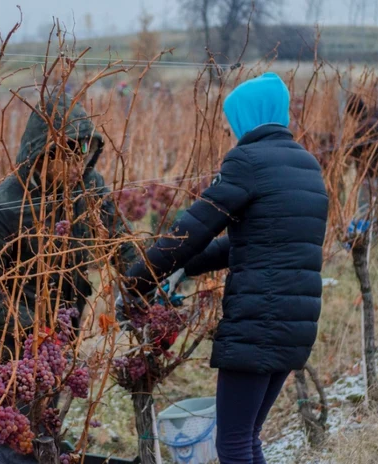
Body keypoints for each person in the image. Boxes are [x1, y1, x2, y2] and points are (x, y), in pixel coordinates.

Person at [119, 73, 328, 464]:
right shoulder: (307, 166)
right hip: (296, 323)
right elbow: (256, 241)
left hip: (257, 321)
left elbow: (192, 229)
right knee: (247, 438)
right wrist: (189, 268)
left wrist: (136, 279)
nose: (233, 132)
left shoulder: (248, 161)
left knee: (232, 444)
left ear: (247, 117)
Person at [0, 92, 138, 375]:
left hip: (67, 329)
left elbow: (118, 241)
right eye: (67, 157)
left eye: (83, 154)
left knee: (51, 413)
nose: (78, 166)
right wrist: (32, 328)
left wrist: (150, 280)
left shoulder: (87, 186)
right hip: (15, 345)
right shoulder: (1, 208)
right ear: (41, 155)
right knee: (19, 414)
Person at [345, 94, 378, 224]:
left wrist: (344, 151)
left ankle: (365, 227)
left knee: (364, 203)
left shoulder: (364, 127)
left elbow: (353, 149)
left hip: (368, 172)